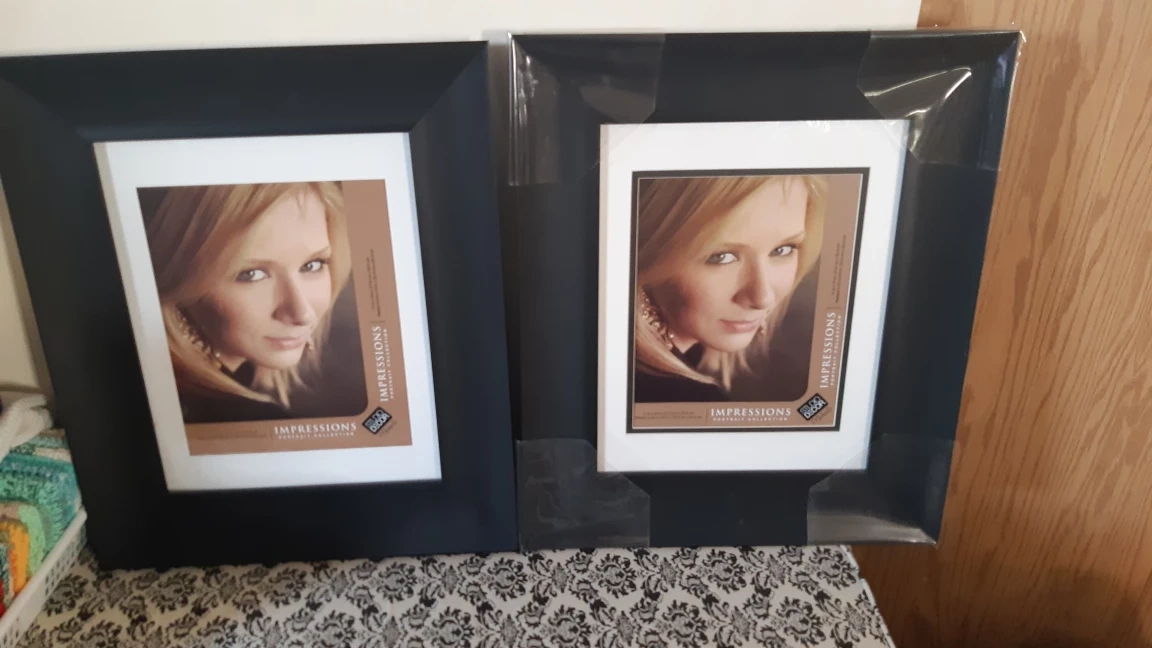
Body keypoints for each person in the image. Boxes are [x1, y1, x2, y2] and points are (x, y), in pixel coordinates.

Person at [143, 182, 353, 423]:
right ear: (180, 277)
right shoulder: (247, 421)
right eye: (251, 274)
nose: (301, 313)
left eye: (312, 265)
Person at [633, 174, 827, 403]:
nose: (762, 298)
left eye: (783, 250)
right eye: (721, 256)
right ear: (649, 252)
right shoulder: (682, 401)